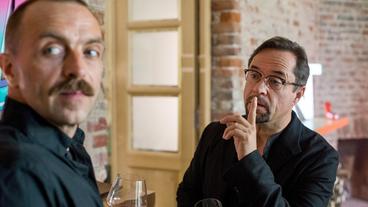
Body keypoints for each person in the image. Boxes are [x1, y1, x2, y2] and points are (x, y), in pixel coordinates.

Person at [177, 36, 339, 206]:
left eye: (276, 81)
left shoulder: (321, 157)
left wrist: (250, 158)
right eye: (254, 75)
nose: (258, 88)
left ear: (297, 95)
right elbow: (186, 193)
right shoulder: (216, 133)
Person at [0, 0, 105, 206]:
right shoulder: (18, 173)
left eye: (91, 52)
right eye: (52, 50)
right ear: (10, 69)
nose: (78, 69)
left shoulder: (71, 150)